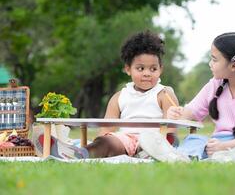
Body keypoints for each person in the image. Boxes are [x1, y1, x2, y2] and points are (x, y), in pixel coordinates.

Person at [139, 32, 235, 163]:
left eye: (215, 60)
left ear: (234, 66)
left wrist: (223, 147)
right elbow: (192, 112)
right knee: (195, 139)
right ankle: (178, 156)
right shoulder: (215, 85)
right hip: (219, 142)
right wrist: (177, 113)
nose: (210, 64)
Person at [34, 31, 181, 159]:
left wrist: (171, 124)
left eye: (153, 69)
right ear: (128, 69)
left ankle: (148, 154)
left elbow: (172, 128)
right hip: (127, 140)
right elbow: (106, 129)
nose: (147, 73)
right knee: (106, 142)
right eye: (140, 68)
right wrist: (102, 142)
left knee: (166, 140)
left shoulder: (164, 93)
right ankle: (76, 153)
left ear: (160, 69)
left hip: (153, 141)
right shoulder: (119, 97)